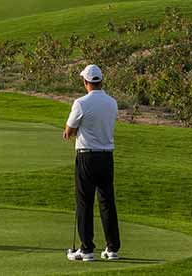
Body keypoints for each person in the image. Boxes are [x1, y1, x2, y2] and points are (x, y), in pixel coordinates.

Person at [63, 64, 120, 261]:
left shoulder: (81, 103)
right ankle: (112, 248)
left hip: (87, 156)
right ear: (101, 81)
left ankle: (86, 249)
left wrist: (75, 131)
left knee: (84, 202)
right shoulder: (112, 103)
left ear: (86, 82)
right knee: (107, 201)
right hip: (107, 156)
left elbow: (68, 132)